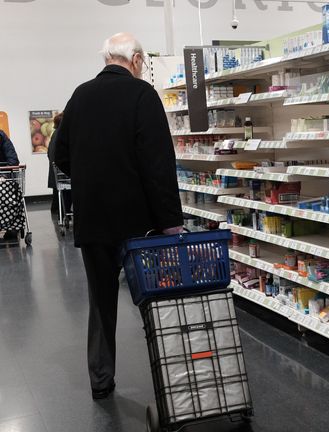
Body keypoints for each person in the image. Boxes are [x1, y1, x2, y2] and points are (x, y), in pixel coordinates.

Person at [54, 33, 183, 400]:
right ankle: (171, 372)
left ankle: (101, 381)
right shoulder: (143, 96)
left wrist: (86, 176)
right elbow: (158, 165)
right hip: (138, 222)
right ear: (138, 60)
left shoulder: (80, 95)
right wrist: (170, 219)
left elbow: (57, 151)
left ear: (107, 58)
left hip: (93, 220)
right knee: (155, 299)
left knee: (101, 301)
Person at [0, 130, 21, 242]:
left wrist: (3, 175)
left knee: (7, 195)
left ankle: (12, 227)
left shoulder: (1, 137)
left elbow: (13, 160)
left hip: (4, 179)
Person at [47, 113, 70, 214]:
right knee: (64, 195)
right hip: (62, 171)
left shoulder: (55, 134)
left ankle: (58, 212)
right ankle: (63, 213)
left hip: (56, 170)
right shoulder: (62, 135)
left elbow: (49, 153)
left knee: (57, 195)